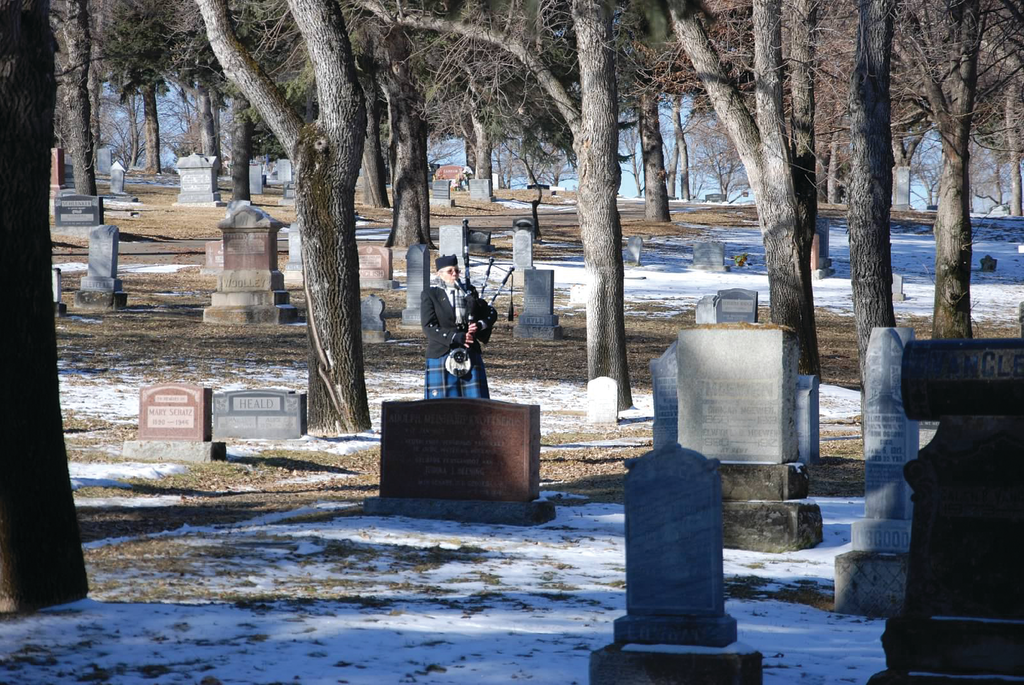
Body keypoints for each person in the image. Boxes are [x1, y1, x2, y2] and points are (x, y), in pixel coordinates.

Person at [421, 254, 498, 399]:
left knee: (476, 406)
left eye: (457, 270)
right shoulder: (431, 295)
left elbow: (489, 313)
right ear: (440, 273)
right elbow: (428, 326)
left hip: (470, 352)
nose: (455, 274)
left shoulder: (469, 292)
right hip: (441, 353)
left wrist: (479, 326)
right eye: (450, 271)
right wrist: (456, 337)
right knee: (440, 409)